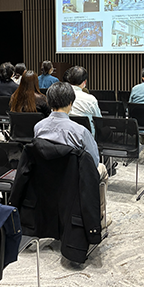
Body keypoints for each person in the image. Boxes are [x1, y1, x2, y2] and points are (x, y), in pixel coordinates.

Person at [34, 82, 108, 227]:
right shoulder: (81, 132)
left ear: (48, 102)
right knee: (102, 169)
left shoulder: (38, 127)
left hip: (48, 175)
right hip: (74, 178)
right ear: (70, 103)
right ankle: (98, 218)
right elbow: (93, 162)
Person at [64, 66, 101, 134]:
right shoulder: (91, 99)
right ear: (85, 82)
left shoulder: (61, 96)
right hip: (87, 136)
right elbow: (98, 119)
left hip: (65, 135)